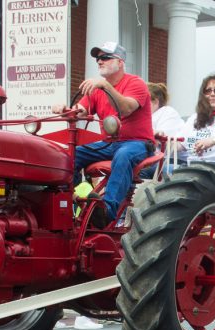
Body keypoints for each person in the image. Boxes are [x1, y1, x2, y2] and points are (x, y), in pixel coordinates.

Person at [53, 42, 154, 228]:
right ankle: (71, 203)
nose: (100, 61)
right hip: (109, 144)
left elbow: (125, 109)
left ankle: (107, 211)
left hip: (137, 143)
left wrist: (105, 86)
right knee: (67, 155)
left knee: (123, 155)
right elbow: (79, 111)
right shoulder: (97, 89)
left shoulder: (135, 83)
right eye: (98, 58)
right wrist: (64, 110)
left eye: (105, 57)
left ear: (120, 62)